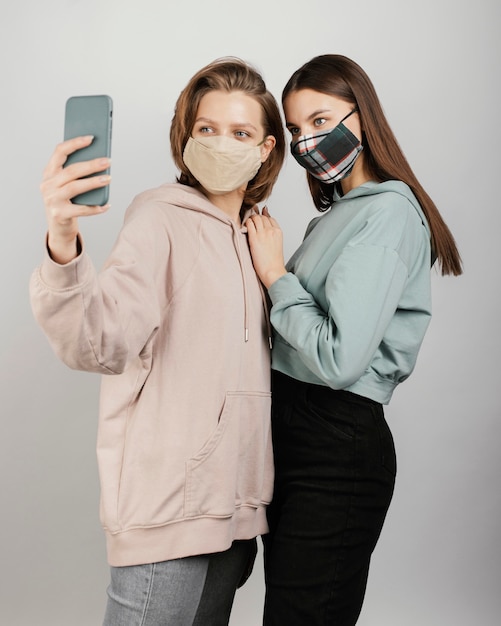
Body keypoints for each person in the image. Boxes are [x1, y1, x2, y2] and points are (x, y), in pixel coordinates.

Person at [30, 57, 285, 625]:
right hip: (166, 514)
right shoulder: (159, 219)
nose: (222, 143)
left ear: (266, 148)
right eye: (206, 129)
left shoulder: (255, 239)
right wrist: (63, 237)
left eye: (241, 133)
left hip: (236, 514)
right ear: (186, 136)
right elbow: (98, 342)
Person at [246, 54, 462, 626]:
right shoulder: (341, 215)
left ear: (361, 117)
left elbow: (338, 359)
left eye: (321, 121)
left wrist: (275, 275)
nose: (306, 142)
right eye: (295, 129)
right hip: (296, 431)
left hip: (334, 443)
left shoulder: (388, 212)